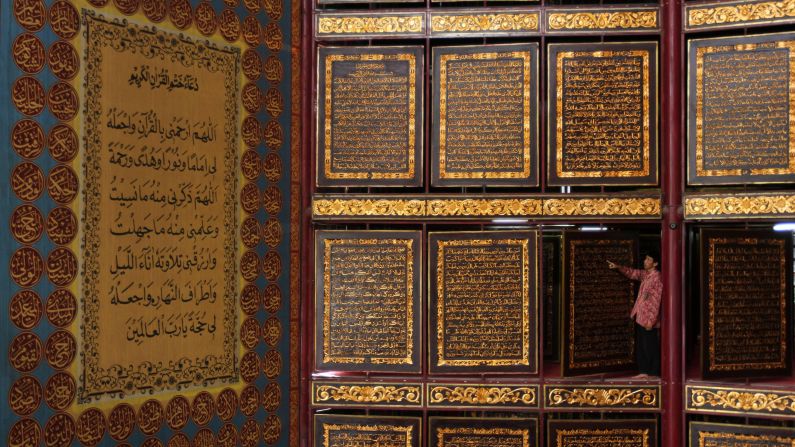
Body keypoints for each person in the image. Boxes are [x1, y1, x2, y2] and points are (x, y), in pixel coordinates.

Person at [607, 252, 662, 379]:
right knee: (642, 345)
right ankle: (643, 371)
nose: (645, 261)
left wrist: (651, 320)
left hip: (648, 319)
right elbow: (632, 273)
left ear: (655, 264)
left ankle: (653, 372)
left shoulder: (657, 278)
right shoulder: (646, 275)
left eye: (648, 259)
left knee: (651, 346)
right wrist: (618, 267)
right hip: (640, 316)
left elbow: (656, 300)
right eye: (645, 258)